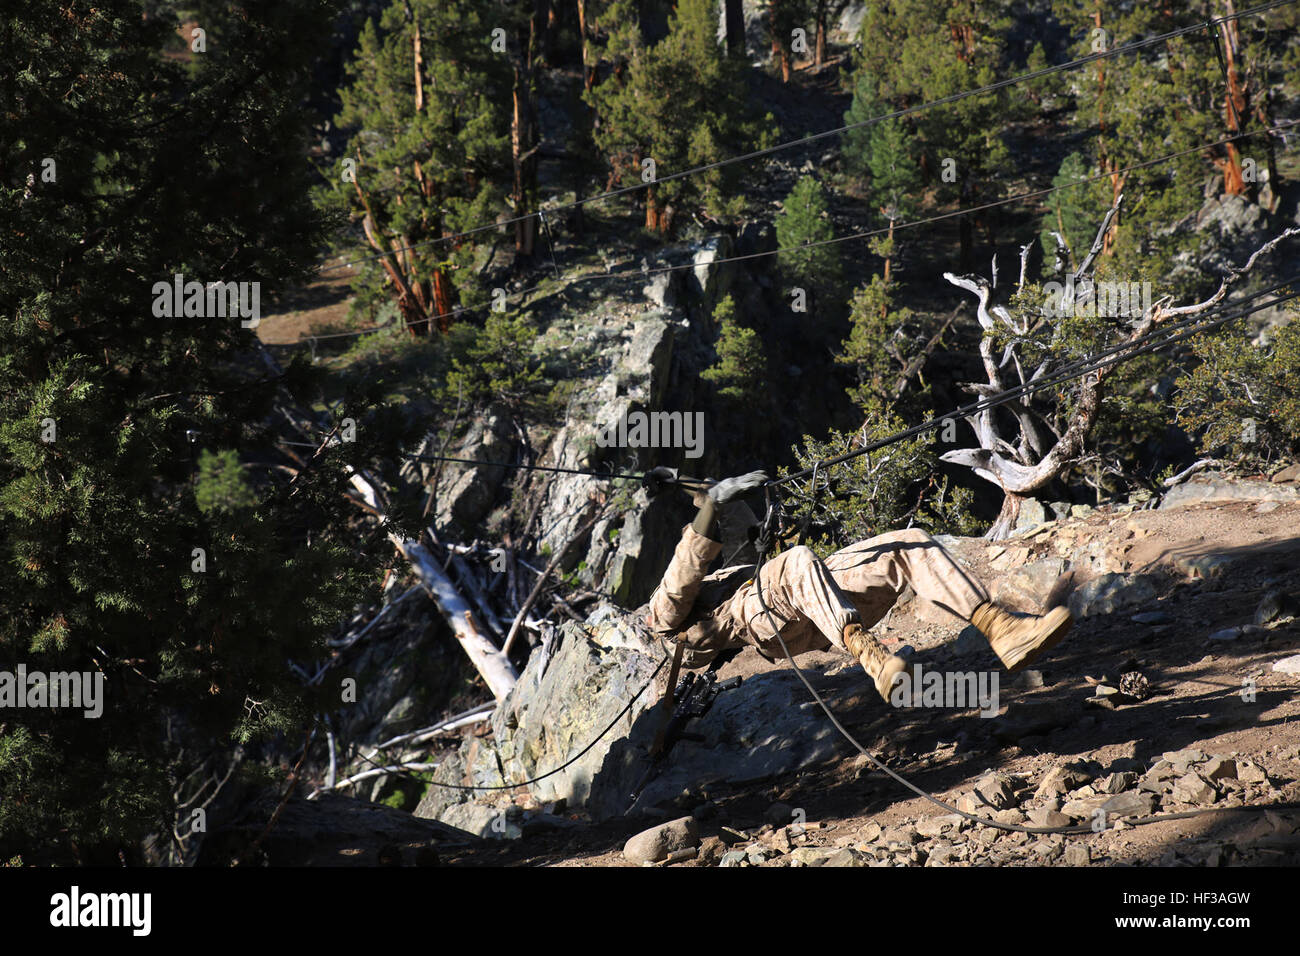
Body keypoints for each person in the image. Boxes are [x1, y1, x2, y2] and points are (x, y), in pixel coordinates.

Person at [644, 470, 1072, 700]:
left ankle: (1002, 629)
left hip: (812, 595)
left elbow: (717, 509)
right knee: (795, 559)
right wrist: (714, 502)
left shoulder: (731, 573)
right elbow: (688, 562)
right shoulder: (667, 618)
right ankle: (873, 660)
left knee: (910, 542)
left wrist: (676, 479)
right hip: (770, 620)